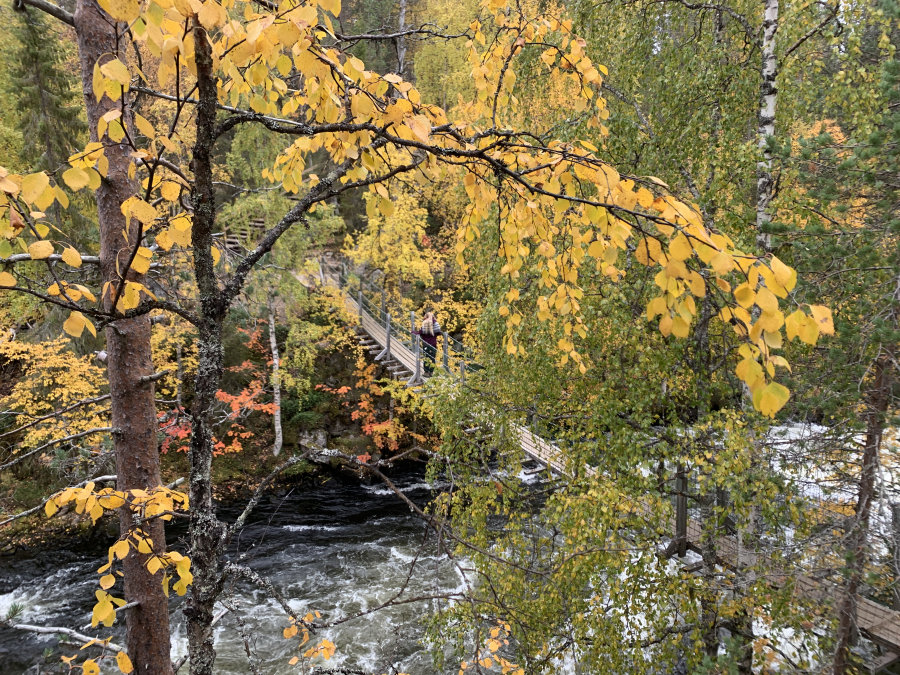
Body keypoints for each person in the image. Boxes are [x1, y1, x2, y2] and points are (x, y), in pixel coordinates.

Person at [413, 311, 442, 376]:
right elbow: (439, 333)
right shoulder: (436, 323)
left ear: (426, 317)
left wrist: (412, 332)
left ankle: (426, 372)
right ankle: (431, 372)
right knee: (432, 357)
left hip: (425, 344)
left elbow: (420, 333)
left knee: (426, 357)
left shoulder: (424, 323)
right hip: (433, 344)